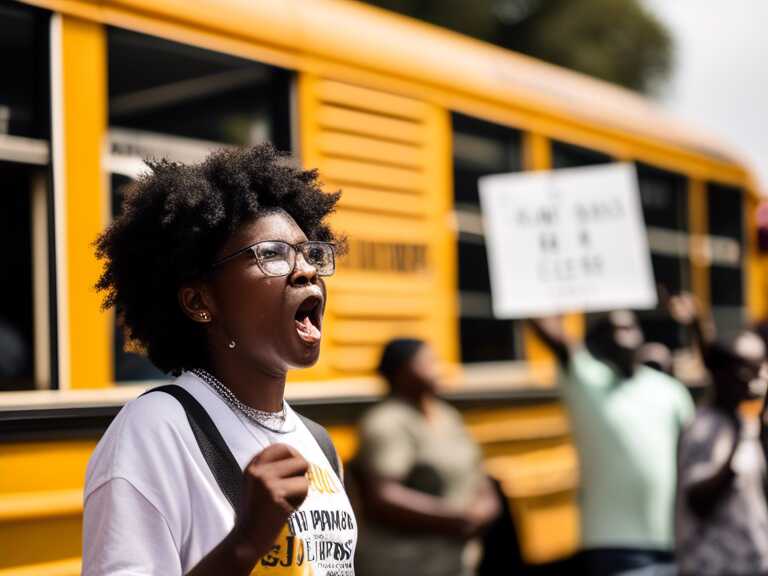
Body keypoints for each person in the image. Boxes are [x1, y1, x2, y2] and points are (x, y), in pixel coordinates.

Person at [82, 144, 356, 576]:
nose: (306, 270)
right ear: (199, 302)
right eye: (271, 254)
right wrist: (246, 541)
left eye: (310, 254)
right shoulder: (155, 430)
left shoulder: (317, 442)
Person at [529, 311, 694, 576]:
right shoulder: (585, 380)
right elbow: (553, 336)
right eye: (613, 331)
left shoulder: (670, 390)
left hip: (673, 540)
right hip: (612, 545)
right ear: (597, 343)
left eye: (629, 327)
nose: (623, 336)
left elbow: (690, 458)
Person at [353, 338, 501, 576]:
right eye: (425, 363)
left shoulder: (447, 416)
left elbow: (476, 471)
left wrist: (488, 505)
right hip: (407, 564)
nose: (437, 369)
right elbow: (382, 496)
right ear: (401, 372)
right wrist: (457, 518)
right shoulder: (387, 422)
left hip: (455, 561)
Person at [676, 328, 768, 576]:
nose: (758, 379)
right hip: (714, 567)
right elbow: (698, 500)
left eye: (760, 368)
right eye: (749, 371)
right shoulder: (705, 427)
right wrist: (733, 454)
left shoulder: (744, 422)